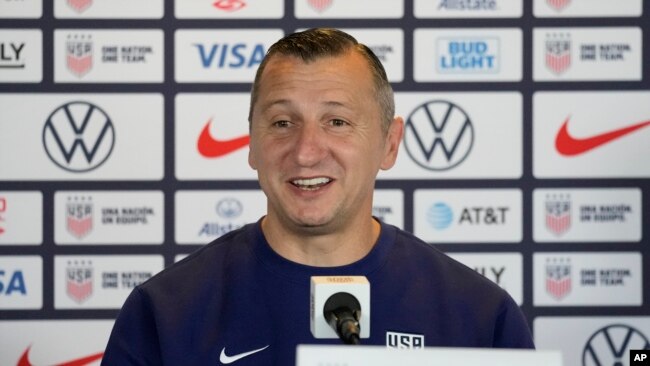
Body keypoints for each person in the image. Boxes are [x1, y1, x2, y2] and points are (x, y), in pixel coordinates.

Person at [101, 28, 534, 365]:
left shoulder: (480, 316)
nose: (306, 152)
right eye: (283, 123)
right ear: (251, 143)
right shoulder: (163, 313)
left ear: (389, 143)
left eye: (338, 122)